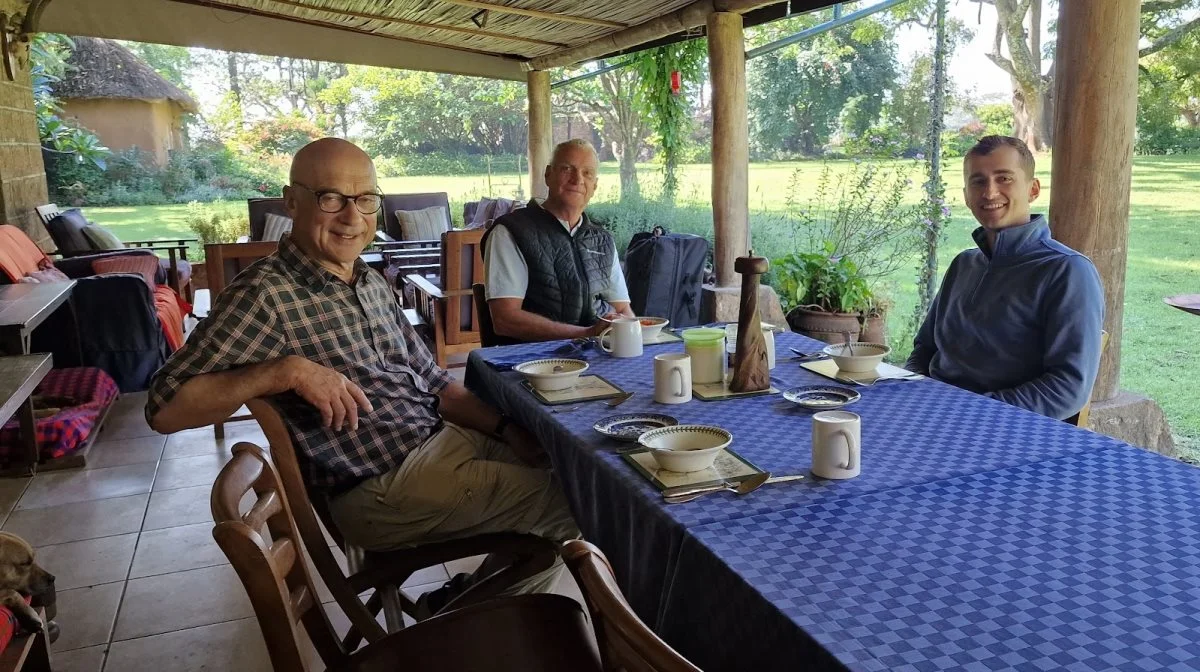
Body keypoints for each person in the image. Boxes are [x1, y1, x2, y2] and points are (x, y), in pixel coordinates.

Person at [145, 138, 579, 603]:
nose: (353, 217)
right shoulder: (265, 295)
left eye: (366, 199)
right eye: (330, 198)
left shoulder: (367, 280)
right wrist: (284, 371)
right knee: (576, 505)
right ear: (292, 202)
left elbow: (436, 384)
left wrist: (506, 428)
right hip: (385, 487)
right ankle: (484, 628)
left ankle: (461, 608)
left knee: (576, 474)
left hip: (440, 444)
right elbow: (164, 409)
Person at [905, 135, 1104, 420]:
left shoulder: (1066, 271)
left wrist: (971, 413)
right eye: (978, 181)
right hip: (933, 415)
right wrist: (911, 394)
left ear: (1033, 189)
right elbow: (924, 349)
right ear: (965, 195)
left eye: (1004, 179)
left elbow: (1068, 387)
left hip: (1006, 430)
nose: (989, 192)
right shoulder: (964, 264)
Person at [482, 139, 634, 343]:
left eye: (587, 173)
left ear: (595, 185)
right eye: (566, 168)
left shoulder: (602, 239)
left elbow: (623, 309)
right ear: (548, 174)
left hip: (600, 353)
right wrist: (586, 334)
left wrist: (631, 337)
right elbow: (505, 319)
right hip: (536, 362)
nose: (577, 179)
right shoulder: (511, 231)